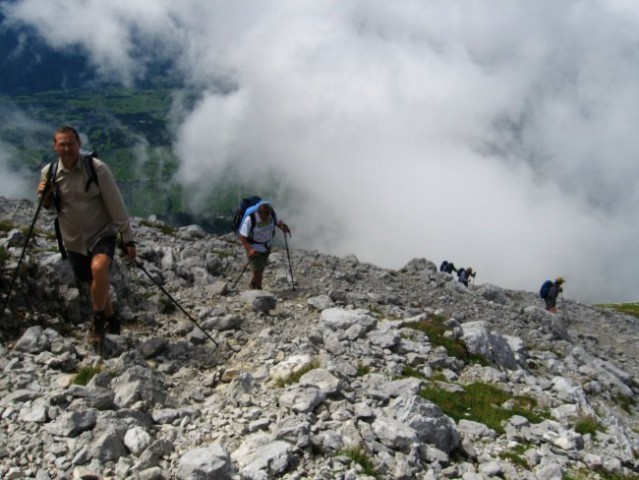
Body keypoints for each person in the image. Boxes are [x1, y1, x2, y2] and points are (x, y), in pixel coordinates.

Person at [37, 126, 136, 348]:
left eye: (71, 143)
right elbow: (48, 207)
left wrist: (127, 238)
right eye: (62, 144)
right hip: (73, 238)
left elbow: (116, 204)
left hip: (101, 233)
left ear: (79, 145)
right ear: (55, 147)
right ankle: (112, 320)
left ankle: (97, 321)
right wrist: (45, 195)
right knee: (94, 280)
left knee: (99, 269)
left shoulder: (97, 169)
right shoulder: (49, 173)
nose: (67, 148)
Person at [238, 200, 290, 290]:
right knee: (258, 269)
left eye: (268, 213)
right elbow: (242, 236)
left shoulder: (271, 213)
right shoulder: (250, 219)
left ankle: (253, 283)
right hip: (254, 247)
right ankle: (258, 289)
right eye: (265, 214)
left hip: (267, 246)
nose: (267, 216)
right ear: (258, 212)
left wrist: (283, 226)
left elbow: (277, 221)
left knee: (260, 268)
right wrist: (250, 249)